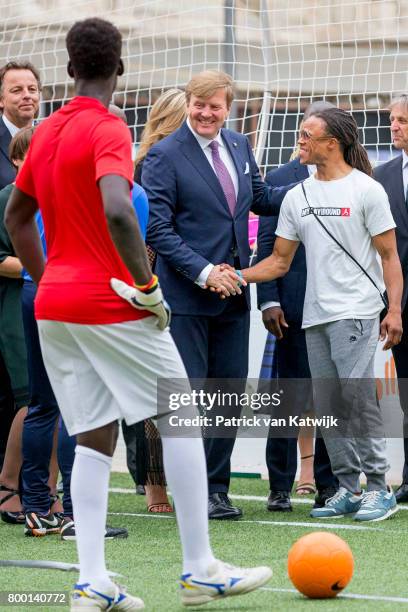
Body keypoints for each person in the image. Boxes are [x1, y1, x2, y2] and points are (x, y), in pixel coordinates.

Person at [5, 17, 272, 609]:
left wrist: (50, 278)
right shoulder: (106, 128)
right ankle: (200, 568)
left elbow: (17, 219)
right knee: (179, 411)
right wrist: (148, 286)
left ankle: (92, 581)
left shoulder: (45, 131)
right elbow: (121, 213)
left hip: (55, 304)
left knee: (93, 432)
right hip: (110, 298)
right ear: (119, 67)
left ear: (69, 69)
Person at [239, 107, 403, 522]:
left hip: (358, 311)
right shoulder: (297, 196)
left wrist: (395, 309)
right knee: (331, 403)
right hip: (314, 315)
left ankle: (378, 487)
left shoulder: (367, 190)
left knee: (356, 397)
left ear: (333, 143)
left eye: (308, 135)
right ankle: (348, 488)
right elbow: (278, 261)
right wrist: (235, 275)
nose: (300, 141)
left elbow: (389, 256)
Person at [143, 69, 292, 520]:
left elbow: (261, 198)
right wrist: (205, 272)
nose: (207, 113)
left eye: (216, 105)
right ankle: (188, 491)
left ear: (228, 108)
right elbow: (157, 229)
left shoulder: (240, 146)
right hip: (186, 299)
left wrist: (315, 187)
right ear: (188, 103)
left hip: (232, 298)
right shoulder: (164, 156)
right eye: (199, 104)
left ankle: (215, 490)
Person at [257, 101, 337, 512]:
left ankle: (329, 485)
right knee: (287, 402)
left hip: (339, 311)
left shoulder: (354, 181)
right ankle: (279, 487)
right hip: (290, 309)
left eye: (310, 133)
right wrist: (269, 299)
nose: (301, 139)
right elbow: (266, 245)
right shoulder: (279, 180)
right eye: (300, 132)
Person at [124, 90, 186, 513]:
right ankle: (153, 485)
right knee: (153, 393)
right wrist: (148, 290)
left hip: (187, 285)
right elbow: (143, 234)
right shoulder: (146, 166)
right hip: (153, 289)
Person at [0, 61, 40, 486]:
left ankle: (38, 488)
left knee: (32, 399)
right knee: (26, 398)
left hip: (39, 301)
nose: (27, 95)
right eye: (17, 89)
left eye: (32, 87)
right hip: (14, 299)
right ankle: (11, 486)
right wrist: (44, 269)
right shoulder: (8, 195)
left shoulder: (49, 144)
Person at [374, 95, 408, 503]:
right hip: (399, 304)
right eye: (392, 119)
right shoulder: (381, 175)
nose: (394, 126)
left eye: (402, 120)